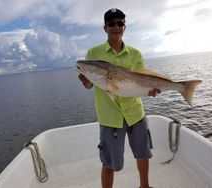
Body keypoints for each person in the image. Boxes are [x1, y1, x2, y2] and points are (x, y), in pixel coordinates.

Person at [78, 8, 160, 188]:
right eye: (111, 23)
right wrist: (86, 80)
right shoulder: (93, 53)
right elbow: (90, 85)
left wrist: (151, 90)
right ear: (105, 28)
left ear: (124, 27)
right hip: (110, 117)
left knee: (143, 153)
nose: (116, 26)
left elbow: (142, 82)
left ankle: (144, 186)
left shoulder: (136, 54)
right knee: (108, 161)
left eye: (120, 23)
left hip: (135, 112)